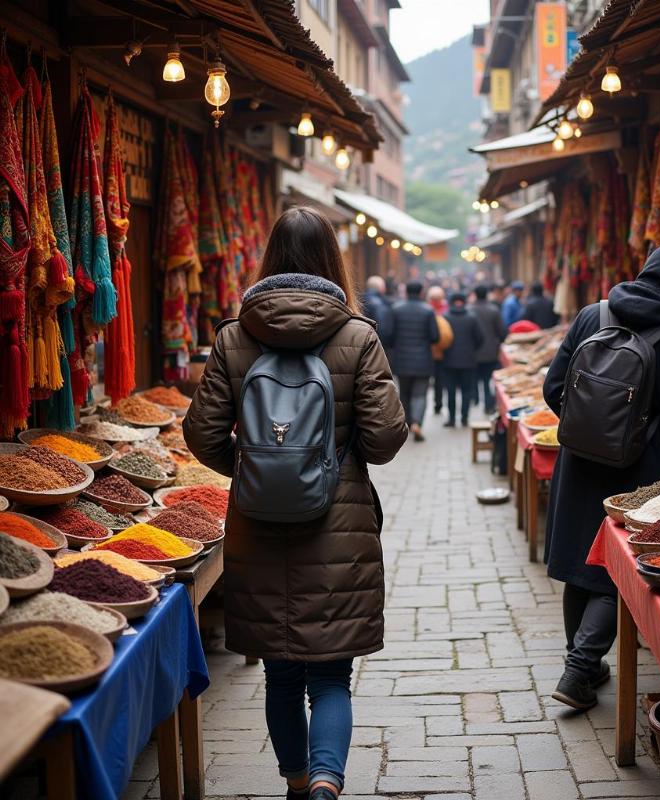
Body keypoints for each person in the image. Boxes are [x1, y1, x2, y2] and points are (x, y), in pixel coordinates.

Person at [183, 207, 408, 800]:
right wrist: (335, 457)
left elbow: (201, 435)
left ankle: (297, 781)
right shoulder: (358, 336)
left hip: (258, 529)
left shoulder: (234, 336)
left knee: (280, 673)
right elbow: (385, 440)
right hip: (340, 527)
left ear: (269, 257)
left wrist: (255, 468)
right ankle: (327, 787)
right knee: (331, 674)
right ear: (333, 259)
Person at [542, 243, 660, 711]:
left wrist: (591, 428)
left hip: (578, 461)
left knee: (579, 561)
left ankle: (585, 667)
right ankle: (578, 671)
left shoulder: (594, 314)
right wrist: (635, 435)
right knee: (619, 569)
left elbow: (554, 387)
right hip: (640, 474)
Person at [392, 280, 440, 441]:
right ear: (421, 292)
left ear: (405, 291)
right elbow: (435, 337)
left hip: (402, 360)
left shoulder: (396, 310)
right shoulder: (428, 311)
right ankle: (417, 423)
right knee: (420, 394)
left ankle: (406, 424)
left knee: (404, 393)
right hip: (422, 361)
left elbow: (388, 335)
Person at [442, 292, 484, 427]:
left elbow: (441, 337)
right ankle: (465, 418)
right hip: (468, 360)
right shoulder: (472, 318)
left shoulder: (445, 317)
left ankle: (452, 419)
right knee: (467, 391)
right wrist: (472, 350)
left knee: (451, 391)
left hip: (449, 360)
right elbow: (480, 338)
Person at [469, 284, 506, 413]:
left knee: (474, 377)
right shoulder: (494, 310)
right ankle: (488, 405)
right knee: (486, 379)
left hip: (472, 351)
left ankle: (474, 399)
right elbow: (501, 331)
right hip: (490, 351)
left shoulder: (469, 309)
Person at [427, 286, 453, 416]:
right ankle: (438, 404)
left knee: (434, 379)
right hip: (442, 352)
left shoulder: (426, 309)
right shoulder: (446, 310)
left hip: (429, 352)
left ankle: (437, 404)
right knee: (439, 380)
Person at [361, 275, 394, 351]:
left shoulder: (360, 299)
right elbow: (383, 329)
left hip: (362, 342)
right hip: (376, 346)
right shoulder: (381, 304)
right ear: (381, 288)